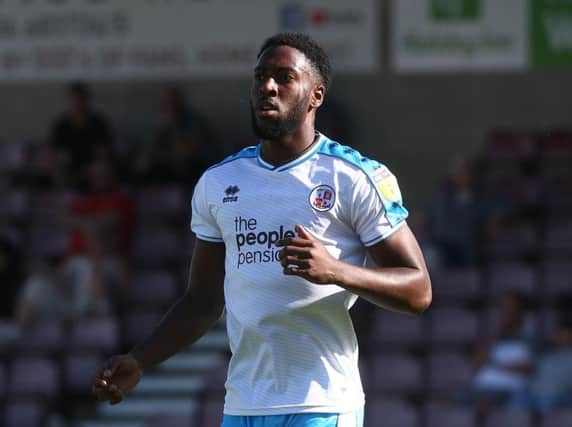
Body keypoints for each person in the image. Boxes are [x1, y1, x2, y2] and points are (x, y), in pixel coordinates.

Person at [92, 32, 432, 427]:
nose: (267, 87)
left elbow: (418, 290)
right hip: (243, 405)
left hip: (320, 403)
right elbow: (202, 301)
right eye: (260, 77)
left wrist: (336, 271)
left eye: (285, 77)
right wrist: (139, 359)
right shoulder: (219, 182)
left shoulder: (354, 177)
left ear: (315, 96)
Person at [48, 81, 115, 187]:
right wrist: (56, 166)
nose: (76, 104)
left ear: (86, 100)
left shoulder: (98, 123)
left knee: (101, 169)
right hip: (70, 167)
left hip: (93, 167)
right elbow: (53, 152)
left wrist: (88, 170)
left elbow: (104, 153)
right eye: (73, 100)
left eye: (79, 99)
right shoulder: (61, 125)